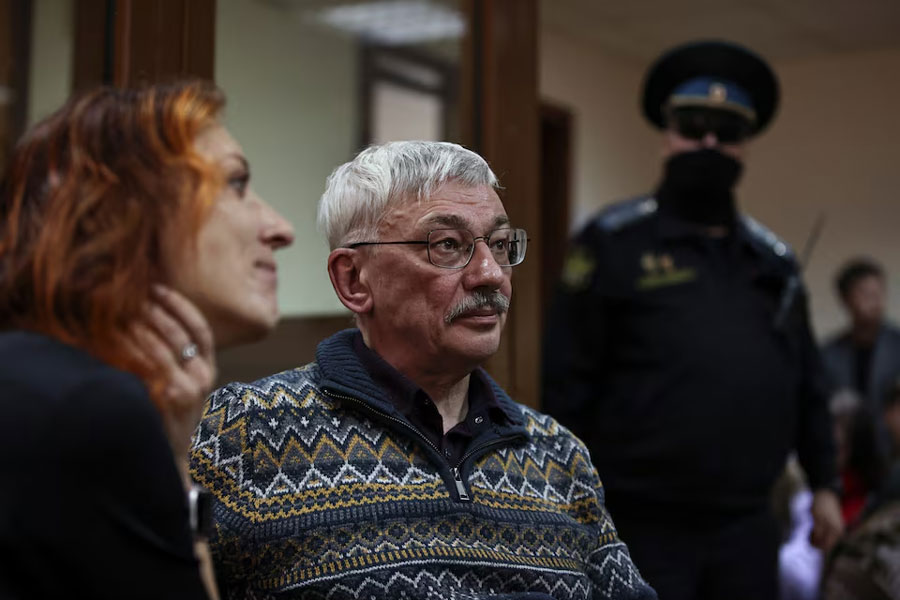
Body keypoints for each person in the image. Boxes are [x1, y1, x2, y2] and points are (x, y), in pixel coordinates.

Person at [190, 141, 657, 600]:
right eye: (448, 245)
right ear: (353, 280)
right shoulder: (244, 432)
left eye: (498, 244)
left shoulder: (559, 457)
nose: (491, 274)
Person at [542, 40, 842, 600]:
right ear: (667, 132)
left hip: (749, 526)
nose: (709, 142)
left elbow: (808, 383)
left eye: (727, 131)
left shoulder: (773, 264)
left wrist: (825, 482)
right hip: (639, 524)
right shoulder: (613, 244)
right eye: (694, 124)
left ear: (745, 145)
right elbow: (566, 380)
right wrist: (565, 496)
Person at [0, 81, 294, 599]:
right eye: (236, 183)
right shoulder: (90, 408)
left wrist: (176, 454)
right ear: (126, 208)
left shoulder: (47, 380)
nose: (281, 228)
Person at [822, 258, 900, 457]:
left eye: (879, 293)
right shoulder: (829, 354)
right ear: (846, 299)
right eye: (865, 294)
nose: (875, 302)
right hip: (847, 458)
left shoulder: (896, 344)